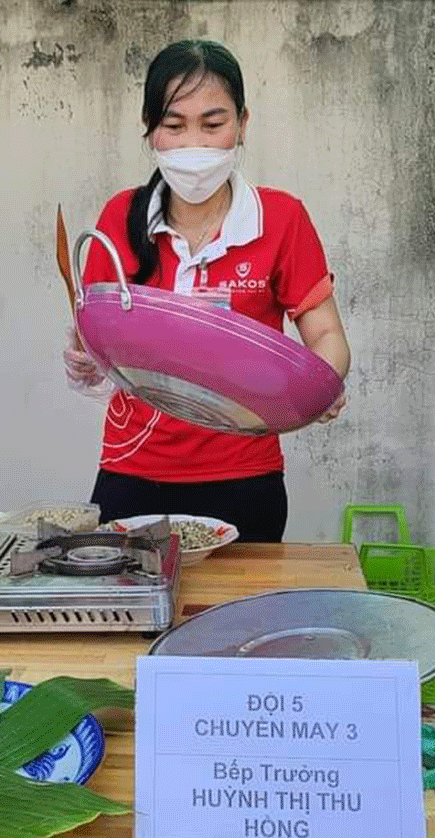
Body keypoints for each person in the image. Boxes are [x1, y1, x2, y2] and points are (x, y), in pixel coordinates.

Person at [64, 40, 351, 543]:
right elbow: (98, 343)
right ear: (150, 128)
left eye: (212, 124)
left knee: (239, 618)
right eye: (174, 126)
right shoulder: (120, 217)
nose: (193, 142)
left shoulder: (281, 219)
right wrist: (85, 358)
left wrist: (320, 384)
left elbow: (326, 332)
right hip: (133, 471)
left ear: (242, 123)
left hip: (245, 475)